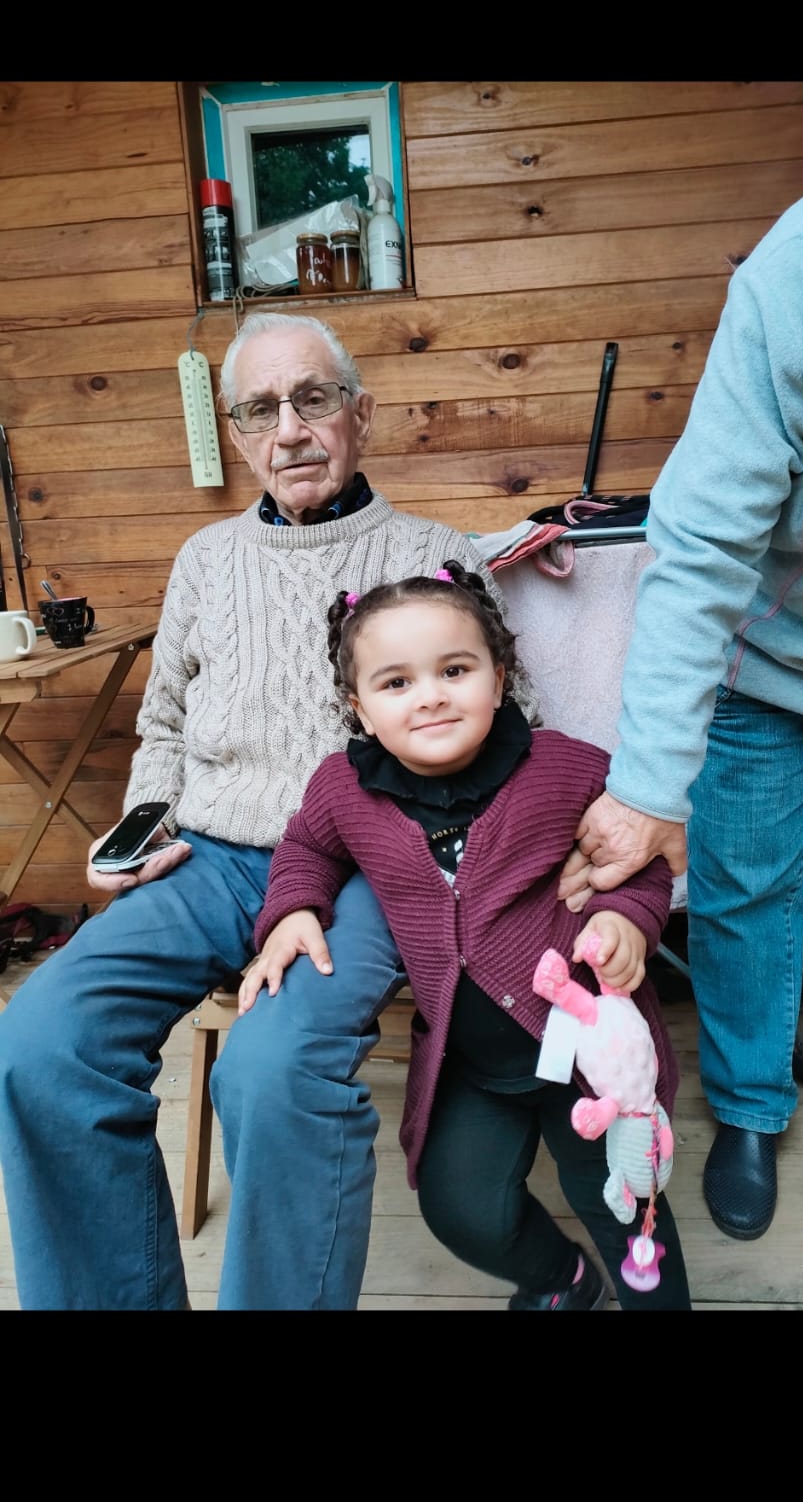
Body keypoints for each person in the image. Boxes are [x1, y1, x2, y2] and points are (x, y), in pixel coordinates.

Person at [0, 310, 520, 1311]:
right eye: (260, 409)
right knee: (43, 1042)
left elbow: (509, 716)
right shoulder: (205, 558)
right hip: (209, 857)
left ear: (361, 414)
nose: (289, 430)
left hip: (371, 864)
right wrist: (146, 825)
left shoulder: (433, 550)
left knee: (271, 1072)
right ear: (237, 435)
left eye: (313, 398)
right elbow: (162, 724)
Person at [558, 81, 803, 1244]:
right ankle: (751, 1106)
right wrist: (647, 783)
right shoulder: (794, 280)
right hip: (771, 642)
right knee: (741, 883)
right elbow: (702, 545)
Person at [239, 562, 692, 1311]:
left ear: (499, 677)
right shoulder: (342, 790)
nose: (430, 696)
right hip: (470, 1061)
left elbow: (636, 860)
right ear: (359, 708)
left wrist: (627, 919)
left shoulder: (565, 767)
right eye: (396, 682)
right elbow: (307, 849)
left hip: (588, 1057)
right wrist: (292, 909)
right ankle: (562, 1279)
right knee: (460, 1207)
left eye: (454, 670)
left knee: (623, 1202)